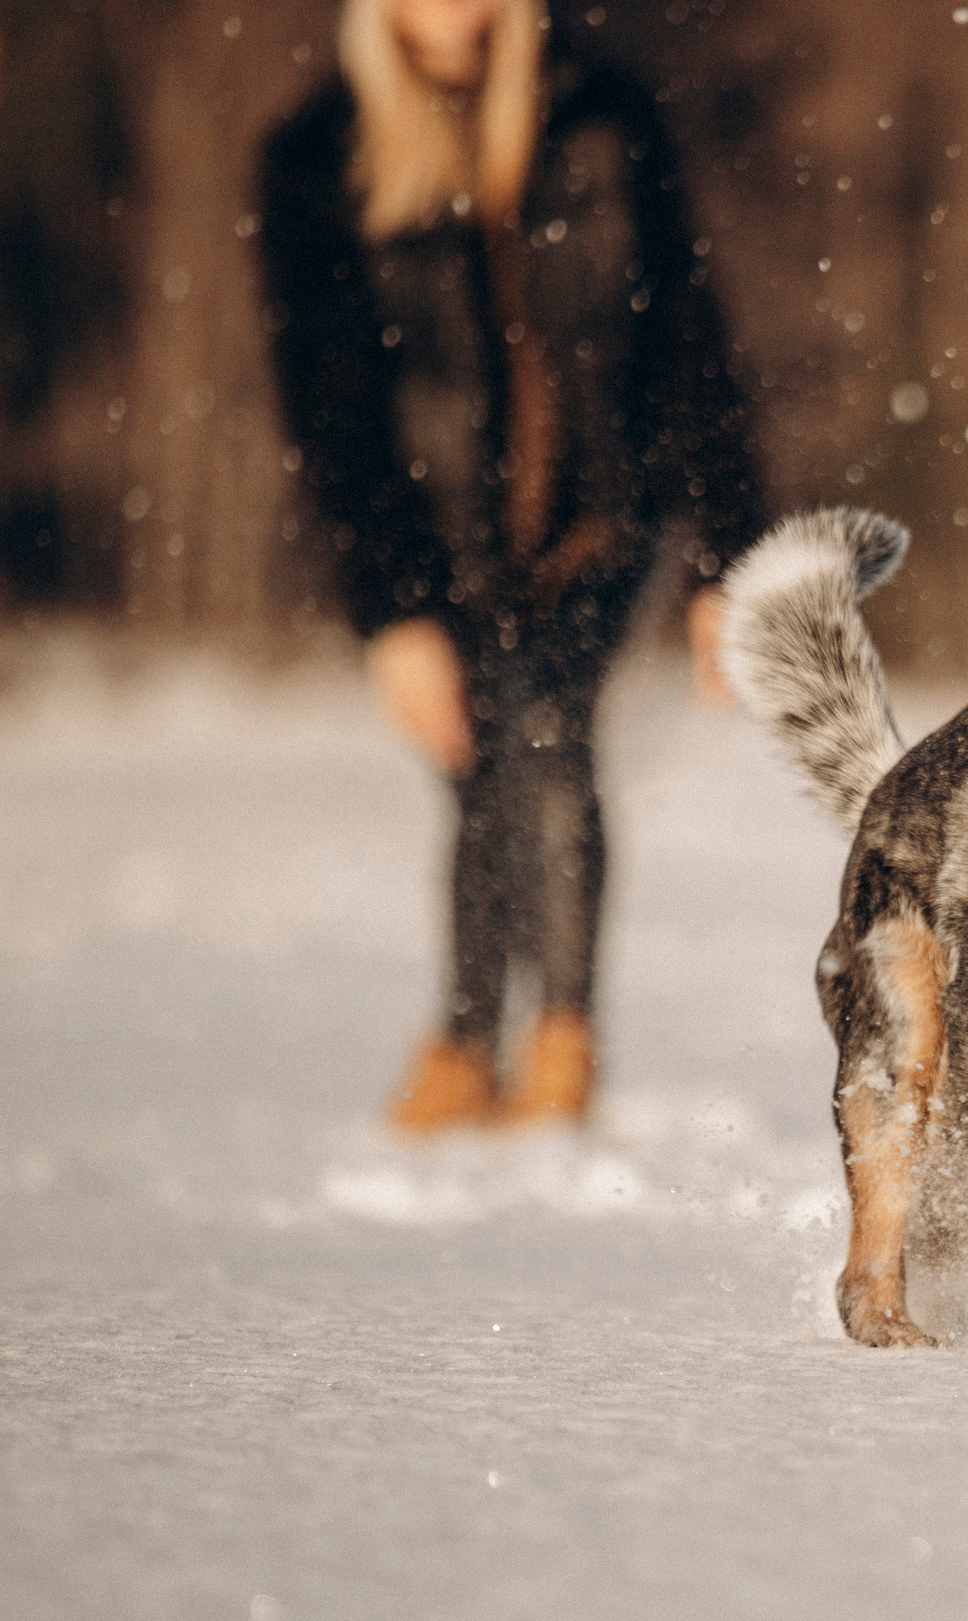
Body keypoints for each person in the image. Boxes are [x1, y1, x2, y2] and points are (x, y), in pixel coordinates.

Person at [258, 0, 763, 1132]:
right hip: (432, 539)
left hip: (599, 518)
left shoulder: (603, 117)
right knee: (475, 761)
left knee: (545, 726)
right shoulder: (312, 157)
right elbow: (327, 415)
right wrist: (391, 613)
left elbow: (689, 344)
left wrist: (727, 556)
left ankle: (552, 1046)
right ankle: (470, 1039)